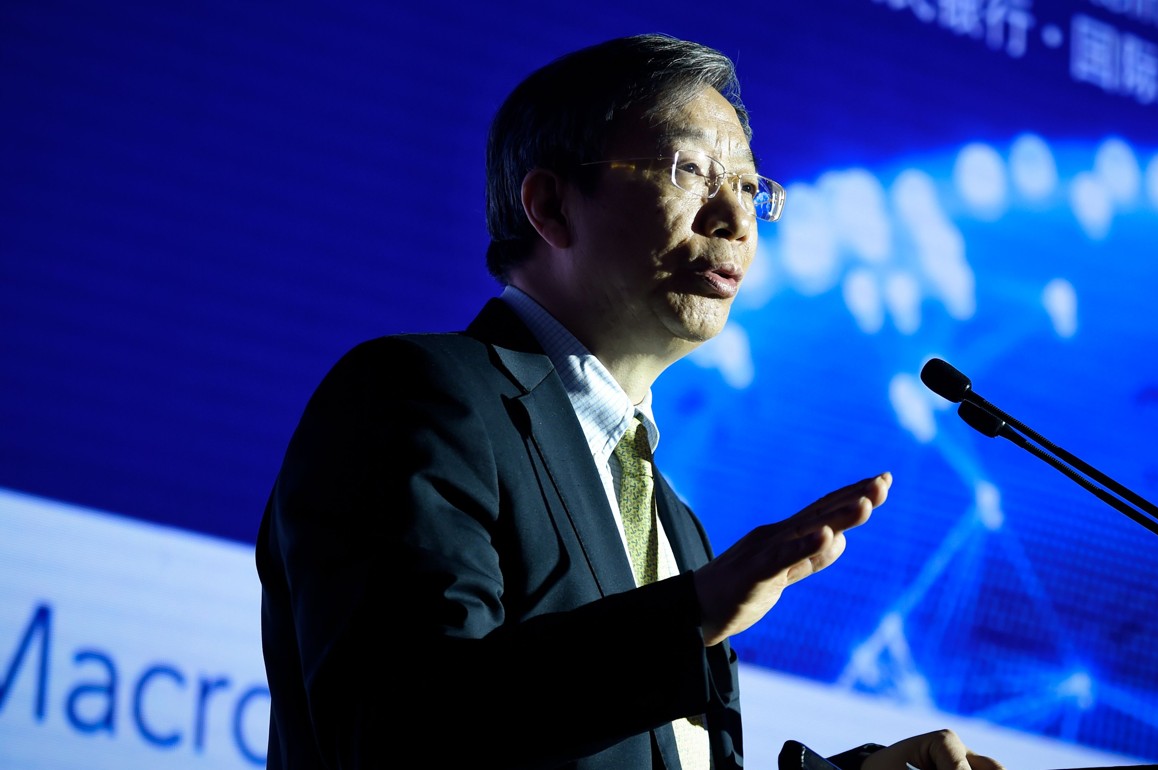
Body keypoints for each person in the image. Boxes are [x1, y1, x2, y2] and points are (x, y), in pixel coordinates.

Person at [256, 33, 1004, 770]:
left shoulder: (675, 521)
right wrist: (692, 613)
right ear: (551, 206)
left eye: (748, 187)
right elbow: (403, 732)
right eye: (691, 171)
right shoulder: (419, 395)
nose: (736, 222)